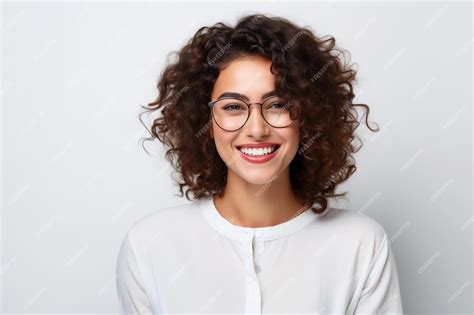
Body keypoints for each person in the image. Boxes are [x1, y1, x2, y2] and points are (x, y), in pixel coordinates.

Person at [116, 13, 403, 314]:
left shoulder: (361, 245)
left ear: (308, 115)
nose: (256, 129)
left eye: (278, 104)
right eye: (233, 107)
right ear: (206, 120)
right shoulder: (149, 246)